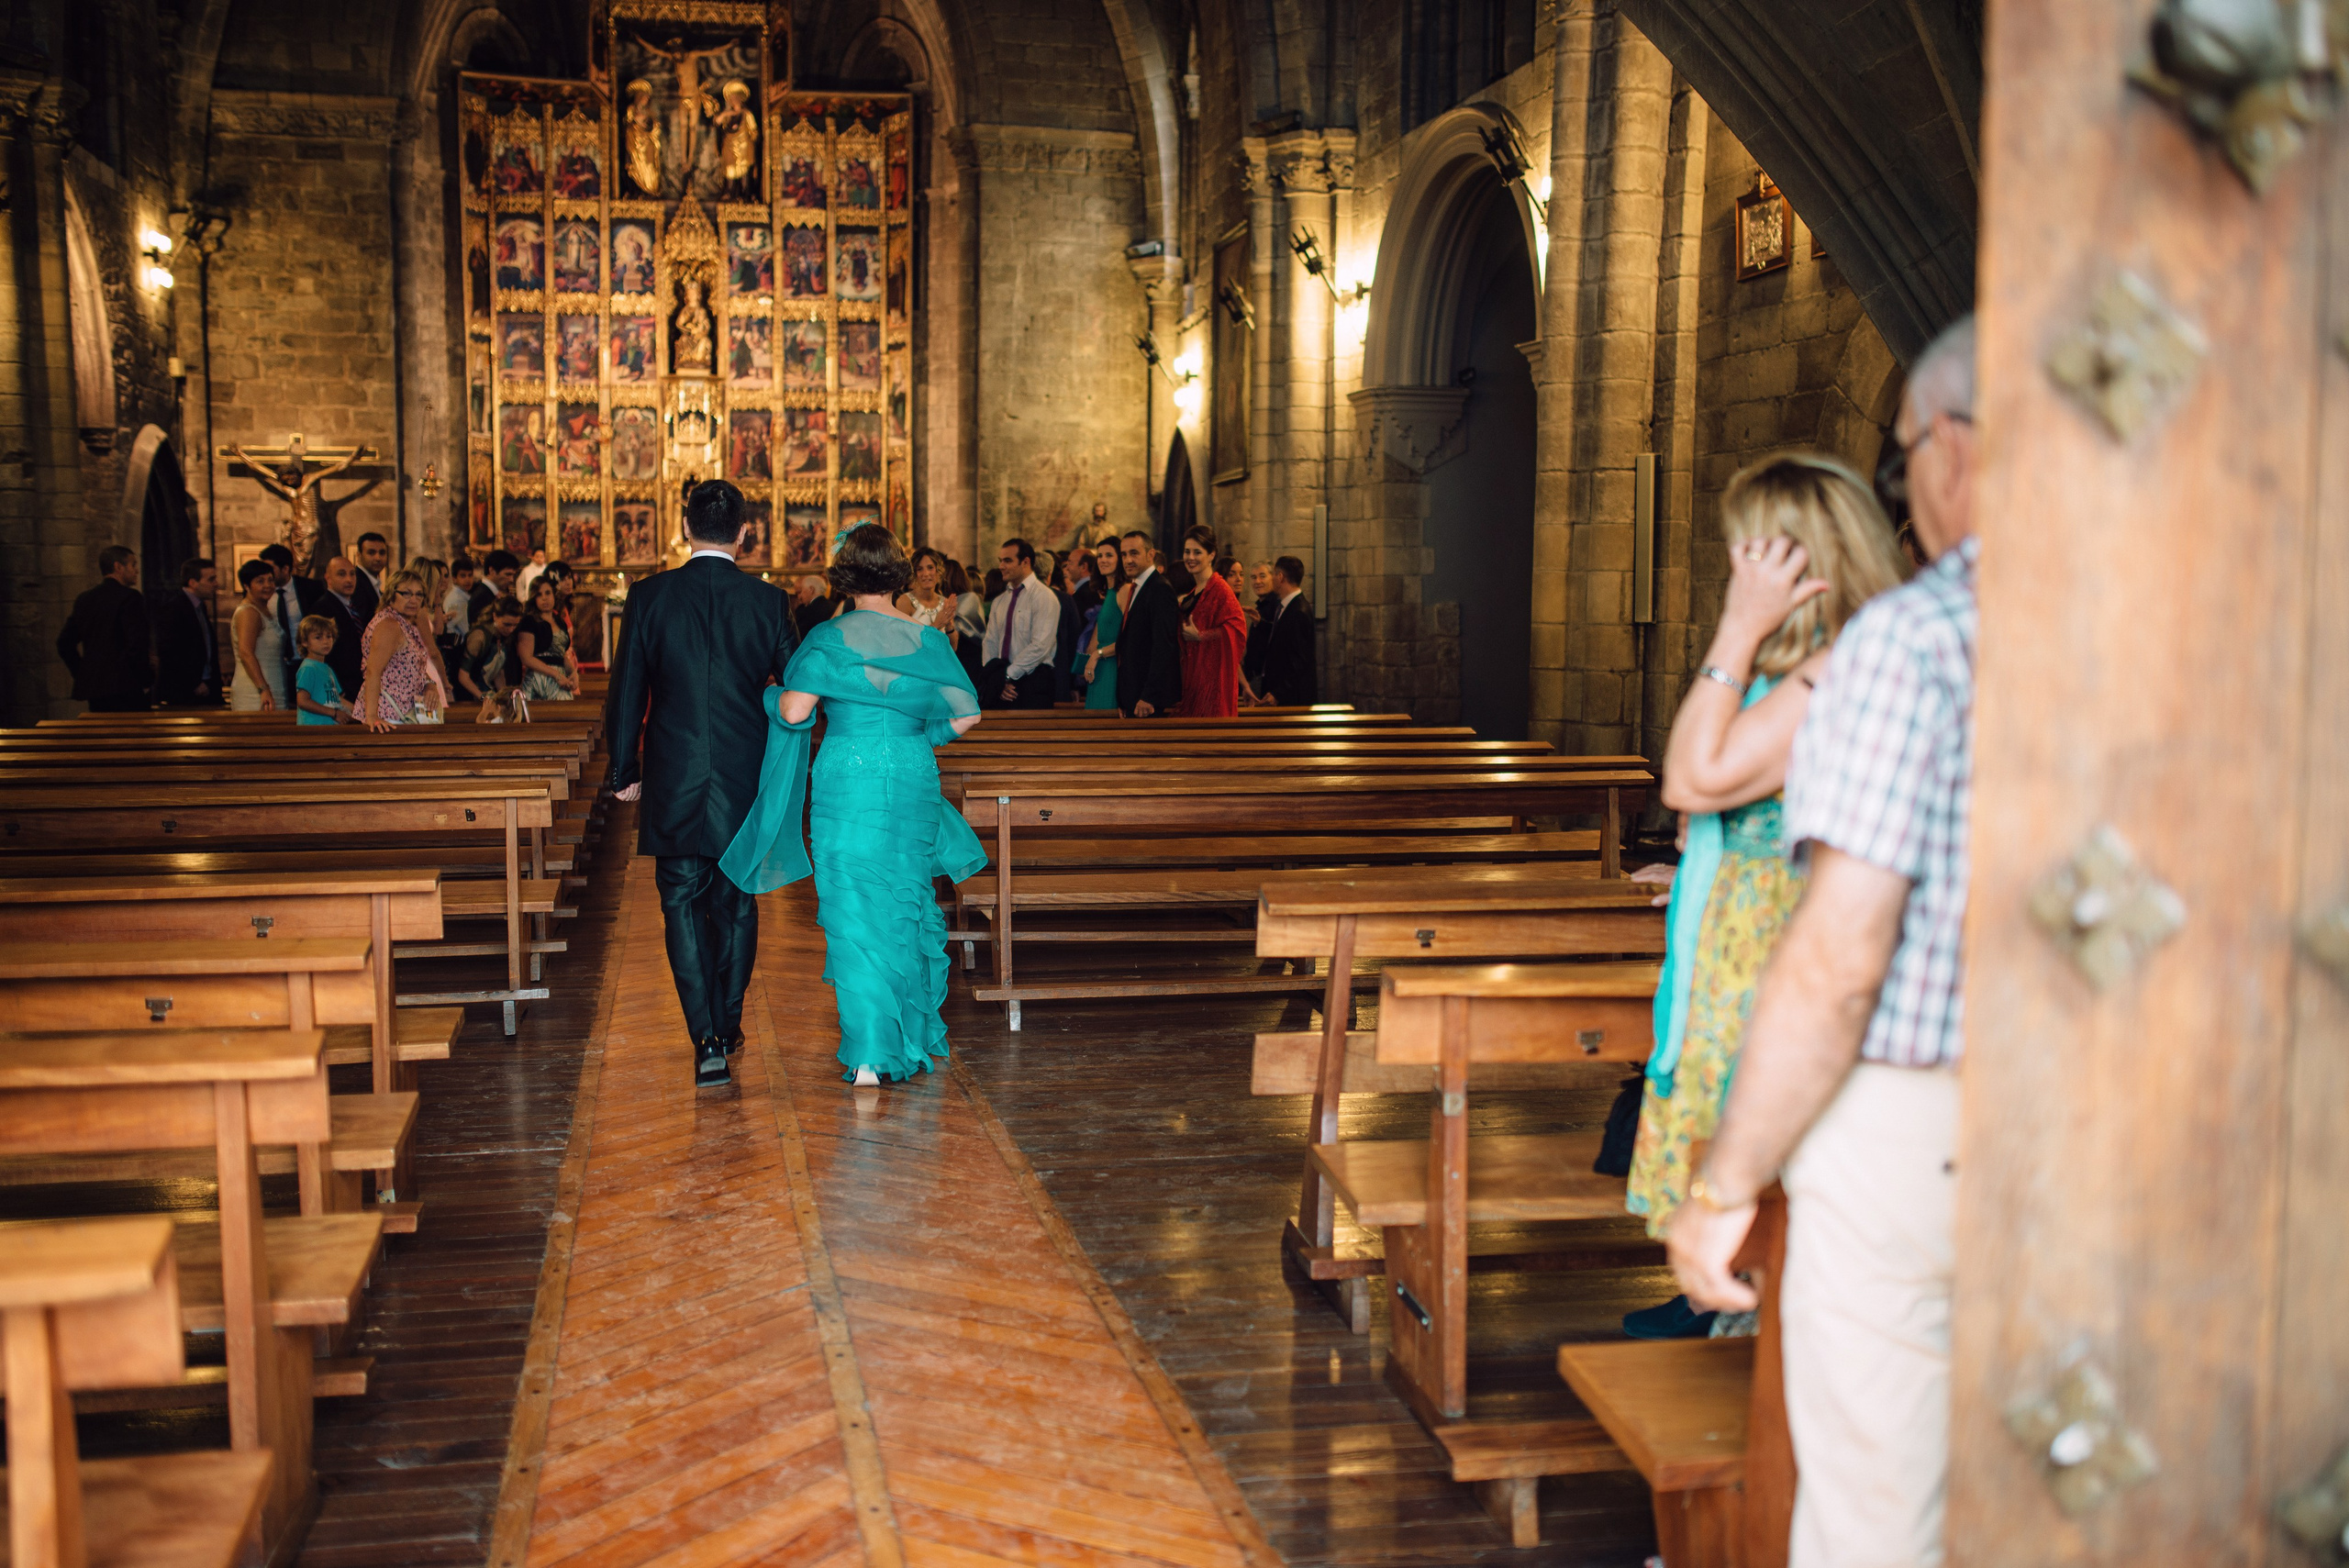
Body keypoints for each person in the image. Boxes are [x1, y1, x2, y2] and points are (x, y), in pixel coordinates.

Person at [1667, 317, 1978, 1568]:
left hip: (1889, 1079)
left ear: (1954, 445)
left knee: (1874, 1479)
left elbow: (1700, 785)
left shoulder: (1887, 646)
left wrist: (1721, 1184)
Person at [1616, 454, 1907, 1342]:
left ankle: (1746, 1341)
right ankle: (1730, 1318)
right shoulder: (1812, 667)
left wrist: (1737, 626)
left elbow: (1690, 778)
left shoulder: (1830, 669)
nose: (1735, 569)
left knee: (1760, 1169)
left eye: (1748, 553)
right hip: (1742, 933)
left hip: (1767, 951)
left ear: (1797, 559)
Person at [721, 523, 986, 1086]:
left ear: (843, 575)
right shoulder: (927, 639)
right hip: (912, 777)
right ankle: (908, 1036)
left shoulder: (828, 637)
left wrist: (768, 695)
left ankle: (869, 1053)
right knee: (905, 901)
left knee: (853, 909)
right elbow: (967, 714)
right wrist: (921, 735)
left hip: (847, 778)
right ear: (898, 573)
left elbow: (795, 713)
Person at [605, 479, 799, 1089]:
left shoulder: (649, 595)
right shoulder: (769, 602)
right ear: (744, 533)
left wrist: (623, 769)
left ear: (685, 528)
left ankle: (707, 1039)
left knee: (681, 903)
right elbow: (798, 687)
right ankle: (729, 1022)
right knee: (737, 901)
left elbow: (627, 688)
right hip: (745, 773)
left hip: (674, 772)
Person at [56, 545, 151, 712]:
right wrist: (145, 679)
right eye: (133, 565)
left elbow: (64, 643)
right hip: (126, 687)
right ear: (118, 567)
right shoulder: (130, 598)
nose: (137, 570)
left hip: (96, 690)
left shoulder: (85, 599)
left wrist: (83, 673)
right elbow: (137, 645)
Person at [355, 569, 448, 729]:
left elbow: (412, 666)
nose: (413, 600)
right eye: (406, 593)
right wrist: (372, 716)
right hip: (388, 715)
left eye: (419, 595)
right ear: (391, 594)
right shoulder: (389, 625)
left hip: (404, 713)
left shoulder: (403, 623)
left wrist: (429, 684)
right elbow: (373, 671)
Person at [978, 537, 1058, 708]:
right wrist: (996, 678)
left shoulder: (1044, 597)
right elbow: (990, 642)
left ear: (1025, 562)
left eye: (1007, 561)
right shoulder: (1000, 600)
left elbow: (1040, 646)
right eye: (1000, 561)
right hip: (1002, 681)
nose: (1001, 566)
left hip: (1034, 679)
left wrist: (1007, 675)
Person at [1174, 528, 1244, 717]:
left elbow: (1237, 630)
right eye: (1187, 551)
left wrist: (1201, 636)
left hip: (1213, 684)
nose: (1190, 557)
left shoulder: (1220, 589)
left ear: (1211, 555)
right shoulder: (1196, 590)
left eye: (1197, 552)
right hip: (1193, 678)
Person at [1114, 528, 1182, 717]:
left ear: (1150, 555)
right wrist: (1123, 697)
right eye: (1124, 554)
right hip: (1133, 695)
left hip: (1147, 700)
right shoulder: (1138, 587)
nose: (1128, 560)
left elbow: (1164, 646)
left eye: (1134, 553)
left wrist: (1149, 696)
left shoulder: (1160, 588)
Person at [155, 556, 223, 706]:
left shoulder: (200, 607)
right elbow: (169, 651)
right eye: (211, 580)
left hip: (206, 687)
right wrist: (194, 682)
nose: (216, 584)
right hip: (184, 692)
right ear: (193, 583)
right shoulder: (174, 608)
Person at [305, 556, 371, 699]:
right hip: (340, 686)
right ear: (328, 578)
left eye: (352, 574)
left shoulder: (356, 606)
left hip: (358, 683)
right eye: (342, 574)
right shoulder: (322, 608)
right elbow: (323, 653)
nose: (349, 580)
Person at [1256, 556, 1318, 707]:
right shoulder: (1288, 606)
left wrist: (1278, 693)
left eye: (1273, 574)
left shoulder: (1298, 610)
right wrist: (1262, 624)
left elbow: (1300, 660)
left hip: (1291, 699)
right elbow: (1284, 639)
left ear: (1280, 577)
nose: (1272, 579)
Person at [228, 559, 288, 712]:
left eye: (270, 580)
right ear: (246, 586)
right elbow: (245, 652)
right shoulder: (248, 612)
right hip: (255, 691)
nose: (268, 585)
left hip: (273, 685)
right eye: (260, 581)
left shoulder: (264, 609)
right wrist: (263, 689)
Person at [516, 573, 580, 700]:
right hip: (539, 680)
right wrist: (556, 675)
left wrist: (573, 672)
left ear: (554, 595)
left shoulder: (559, 621)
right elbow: (527, 658)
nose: (544, 598)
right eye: (539, 595)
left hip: (560, 680)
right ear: (534, 598)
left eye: (548, 593)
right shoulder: (529, 621)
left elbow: (559, 654)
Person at [1082, 540, 1128, 710]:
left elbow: (1129, 638)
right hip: (1099, 667)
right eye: (1100, 556)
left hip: (1112, 666)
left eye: (1109, 555)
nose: (1103, 560)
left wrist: (1097, 654)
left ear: (1120, 559)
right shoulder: (1109, 592)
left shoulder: (1124, 590)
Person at [257, 542, 306, 693]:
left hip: (304, 661)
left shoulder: (309, 588)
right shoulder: (262, 593)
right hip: (276, 664)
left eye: (270, 568)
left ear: (285, 569)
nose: (266, 574)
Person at [457, 595, 522, 703]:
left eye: (515, 625)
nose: (511, 629)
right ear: (495, 616)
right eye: (507, 624)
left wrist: (504, 698)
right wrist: (483, 698)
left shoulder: (502, 637)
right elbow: (463, 676)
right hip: (468, 695)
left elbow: (498, 673)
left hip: (487, 692)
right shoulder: (479, 636)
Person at [292, 615, 354, 724]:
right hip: (314, 727)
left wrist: (359, 712)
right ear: (305, 642)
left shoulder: (327, 669)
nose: (325, 641)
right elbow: (303, 701)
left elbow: (337, 698)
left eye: (329, 636)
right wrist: (333, 713)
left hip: (328, 726)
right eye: (318, 637)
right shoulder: (308, 668)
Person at [897, 548, 959, 641]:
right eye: (920, 569)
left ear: (938, 572)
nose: (926, 574)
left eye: (930, 568)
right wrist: (936, 625)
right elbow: (902, 641)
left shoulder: (944, 603)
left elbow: (953, 647)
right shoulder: (905, 601)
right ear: (915, 574)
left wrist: (949, 625)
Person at [473, 550, 520, 627]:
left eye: (513, 575)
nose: (511, 580)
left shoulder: (495, 592)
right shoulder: (481, 596)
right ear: (492, 571)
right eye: (508, 574)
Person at [351, 531, 390, 620]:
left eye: (382, 553)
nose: (378, 558)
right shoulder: (356, 583)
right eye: (371, 553)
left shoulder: (373, 582)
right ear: (359, 555)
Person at [445, 556, 479, 639]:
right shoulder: (458, 600)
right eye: (463, 576)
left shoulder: (462, 596)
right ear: (454, 579)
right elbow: (465, 630)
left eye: (470, 575)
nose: (468, 580)